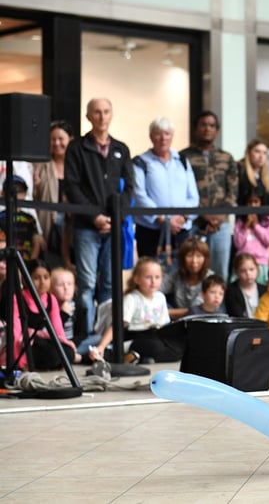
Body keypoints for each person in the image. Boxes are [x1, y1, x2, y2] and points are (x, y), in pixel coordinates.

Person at [64, 97, 134, 341]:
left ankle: (105, 341)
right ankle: (84, 339)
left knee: (110, 285)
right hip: (86, 227)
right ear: (88, 117)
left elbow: (130, 188)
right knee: (86, 285)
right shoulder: (76, 148)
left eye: (106, 112)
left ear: (111, 115)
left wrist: (115, 217)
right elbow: (72, 187)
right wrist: (95, 217)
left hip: (114, 227)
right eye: (97, 112)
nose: (102, 116)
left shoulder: (121, 149)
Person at [181, 111, 238, 282]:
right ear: (195, 129)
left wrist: (219, 218)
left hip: (221, 225)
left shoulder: (226, 158)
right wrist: (202, 214)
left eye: (212, 126)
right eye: (203, 125)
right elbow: (181, 192)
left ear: (217, 130)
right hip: (194, 223)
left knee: (220, 273)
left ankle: (219, 309)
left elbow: (233, 192)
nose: (207, 129)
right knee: (192, 272)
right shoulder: (183, 157)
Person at [93, 257, 183, 364]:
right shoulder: (131, 298)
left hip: (155, 334)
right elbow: (117, 325)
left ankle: (141, 358)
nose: (153, 281)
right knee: (155, 346)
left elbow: (164, 324)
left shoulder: (160, 297)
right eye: (148, 277)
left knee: (179, 347)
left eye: (157, 277)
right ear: (137, 279)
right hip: (134, 336)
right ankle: (127, 352)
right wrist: (102, 346)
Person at [133, 117, 200, 259]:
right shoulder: (140, 162)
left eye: (167, 134)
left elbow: (193, 196)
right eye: (158, 133)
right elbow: (139, 195)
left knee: (181, 275)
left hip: (181, 230)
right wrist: (162, 219)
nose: (163, 138)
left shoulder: (182, 160)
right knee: (151, 275)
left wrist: (182, 218)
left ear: (172, 137)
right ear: (151, 137)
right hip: (150, 231)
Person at [11, 258, 77, 370]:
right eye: (36, 278)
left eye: (46, 277)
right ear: (26, 280)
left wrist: (63, 345)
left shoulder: (51, 299)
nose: (42, 282)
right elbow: (16, 331)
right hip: (25, 342)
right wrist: (19, 360)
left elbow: (57, 330)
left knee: (68, 352)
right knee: (49, 353)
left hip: (42, 339)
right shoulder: (18, 298)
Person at [33, 120, 75, 269]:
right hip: (47, 225)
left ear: (70, 139)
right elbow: (30, 197)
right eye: (52, 139)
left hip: (72, 228)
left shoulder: (77, 166)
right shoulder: (39, 165)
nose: (56, 143)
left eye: (61, 139)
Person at [160, 236, 214, 320]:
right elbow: (158, 287)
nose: (194, 261)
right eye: (189, 256)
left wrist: (164, 312)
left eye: (199, 256)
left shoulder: (211, 278)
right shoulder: (177, 275)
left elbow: (197, 311)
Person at [233, 192, 269, 284]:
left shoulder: (268, 221)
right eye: (250, 202)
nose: (253, 205)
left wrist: (256, 226)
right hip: (242, 263)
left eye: (256, 202)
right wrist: (246, 226)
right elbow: (238, 244)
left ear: (261, 203)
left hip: (261, 263)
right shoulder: (240, 222)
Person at [0, 175, 45, 261]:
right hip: (4, 261)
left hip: (26, 261)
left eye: (19, 190)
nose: (16, 194)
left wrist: (33, 259)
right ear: (3, 193)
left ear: (25, 194)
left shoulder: (30, 219)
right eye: (12, 190)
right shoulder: (0, 216)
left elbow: (36, 241)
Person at [50, 266, 87, 356]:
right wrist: (63, 314)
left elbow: (82, 334)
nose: (66, 288)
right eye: (60, 285)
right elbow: (51, 333)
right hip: (55, 343)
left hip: (73, 343)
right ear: (51, 288)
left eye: (69, 284)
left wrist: (72, 343)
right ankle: (75, 356)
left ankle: (71, 355)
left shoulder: (79, 307)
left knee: (97, 339)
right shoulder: (48, 306)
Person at [223, 252, 267, 318]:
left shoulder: (264, 290)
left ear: (257, 269)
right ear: (237, 272)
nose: (248, 274)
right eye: (243, 271)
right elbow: (236, 314)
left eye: (251, 269)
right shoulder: (231, 291)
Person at [237, 138, 269, 207]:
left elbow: (267, 203)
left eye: (264, 153)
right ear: (249, 153)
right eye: (257, 152)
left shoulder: (265, 176)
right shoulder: (239, 171)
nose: (261, 156)